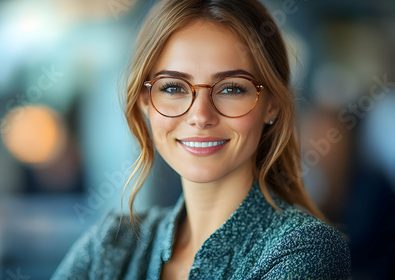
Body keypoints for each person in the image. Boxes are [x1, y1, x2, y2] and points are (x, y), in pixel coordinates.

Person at [51, 0, 351, 279]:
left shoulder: (306, 249)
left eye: (231, 88)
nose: (200, 116)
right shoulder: (110, 245)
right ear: (144, 102)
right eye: (173, 88)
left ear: (271, 103)